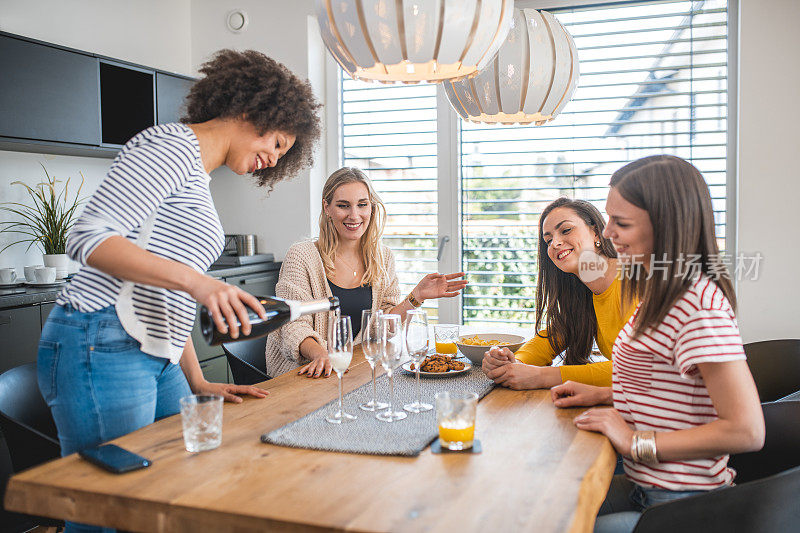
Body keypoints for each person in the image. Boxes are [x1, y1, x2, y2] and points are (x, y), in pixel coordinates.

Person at [38, 49, 321, 533]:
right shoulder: (169, 147)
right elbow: (87, 237)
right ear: (253, 111)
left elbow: (161, 297)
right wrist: (200, 283)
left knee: (176, 491)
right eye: (276, 142)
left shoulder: (197, 173)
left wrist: (197, 379)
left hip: (152, 352)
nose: (274, 158)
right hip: (99, 340)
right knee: (113, 510)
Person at [550, 155, 764, 533]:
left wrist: (634, 442)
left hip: (680, 499)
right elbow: (670, 388)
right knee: (550, 501)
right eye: (609, 218)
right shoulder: (654, 289)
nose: (609, 232)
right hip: (645, 483)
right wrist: (602, 396)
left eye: (623, 223)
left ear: (666, 225)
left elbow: (746, 430)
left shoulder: (698, 304)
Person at [265, 167, 467, 378]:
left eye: (362, 205)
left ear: (371, 207)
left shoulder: (382, 257)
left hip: (353, 370)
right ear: (327, 207)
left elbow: (382, 327)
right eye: (343, 206)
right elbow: (292, 324)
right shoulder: (302, 256)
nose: (354, 215)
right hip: (304, 374)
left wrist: (416, 297)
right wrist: (321, 354)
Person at [482, 198, 636, 390]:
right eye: (548, 240)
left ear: (596, 232)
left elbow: (637, 369)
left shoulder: (637, 280)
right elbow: (549, 340)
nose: (555, 243)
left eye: (566, 230)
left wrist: (541, 376)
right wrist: (511, 363)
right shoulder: (583, 293)